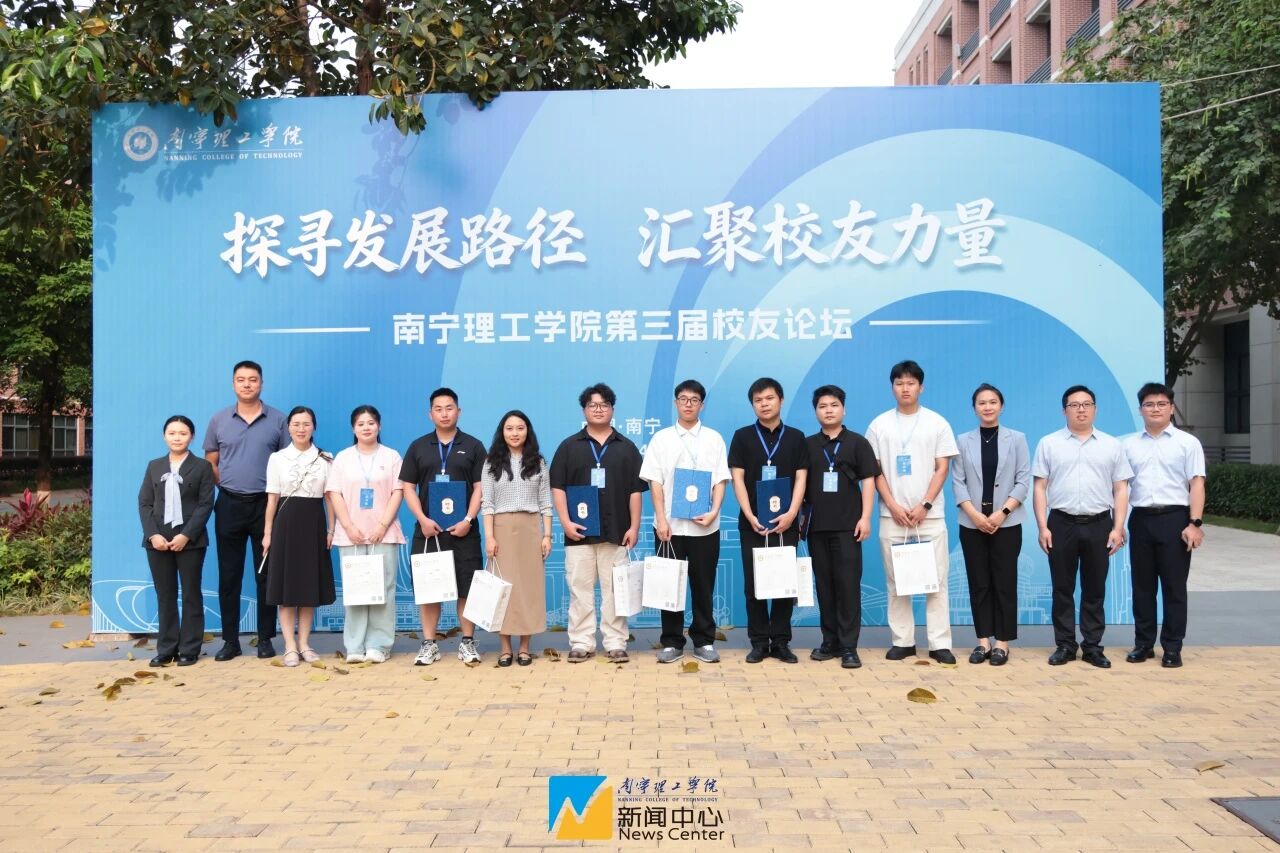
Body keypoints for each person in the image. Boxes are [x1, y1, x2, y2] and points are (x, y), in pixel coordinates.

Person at [1032, 385, 1133, 668]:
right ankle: (1065, 645)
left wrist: (1118, 526)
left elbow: (1121, 488)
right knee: (1062, 588)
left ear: (1095, 409)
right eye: (1074, 405)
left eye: (1086, 404)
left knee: (1094, 589)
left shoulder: (1111, 445)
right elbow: (1039, 487)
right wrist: (1043, 527)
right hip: (1061, 523)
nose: (1081, 410)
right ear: (1064, 410)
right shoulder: (1049, 443)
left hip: (1100, 523)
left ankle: (1092, 647)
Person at [865, 360, 959, 664]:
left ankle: (939, 644)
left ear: (921, 387)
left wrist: (925, 505)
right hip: (891, 516)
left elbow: (942, 468)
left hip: (929, 516)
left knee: (937, 581)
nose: (905, 388)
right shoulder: (879, 425)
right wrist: (893, 505)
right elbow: (874, 470)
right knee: (896, 582)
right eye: (899, 383)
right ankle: (902, 642)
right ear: (892, 387)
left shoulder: (937, 423)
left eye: (911, 383)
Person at [549, 383, 646, 663]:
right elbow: (558, 487)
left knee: (615, 590)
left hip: (617, 531)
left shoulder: (627, 448)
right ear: (584, 410)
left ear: (613, 409)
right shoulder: (569, 447)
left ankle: (615, 642)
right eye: (593, 405)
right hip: (578, 533)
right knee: (580, 590)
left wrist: (634, 527)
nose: (599, 409)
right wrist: (565, 523)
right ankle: (582, 642)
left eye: (604, 405)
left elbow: (635, 491)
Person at [203, 360, 289, 661]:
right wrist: (227, 486)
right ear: (233, 384)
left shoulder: (278, 420)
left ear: (261, 383)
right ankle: (230, 641)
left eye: (253, 379)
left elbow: (287, 462)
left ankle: (265, 638)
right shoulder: (219, 420)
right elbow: (211, 461)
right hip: (229, 503)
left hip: (266, 505)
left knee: (266, 574)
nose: (247, 384)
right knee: (229, 575)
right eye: (241, 380)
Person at [640, 380, 731, 665]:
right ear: (675, 403)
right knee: (669, 585)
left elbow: (721, 479)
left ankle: (704, 640)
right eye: (683, 399)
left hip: (705, 527)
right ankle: (671, 642)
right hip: (669, 528)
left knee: (703, 585)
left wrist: (714, 511)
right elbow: (655, 482)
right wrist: (661, 519)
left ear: (701, 404)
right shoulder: (662, 439)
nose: (688, 404)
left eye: (694, 399)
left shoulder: (714, 439)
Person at [1121, 382, 1206, 669]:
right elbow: (1120, 488)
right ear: (1140, 410)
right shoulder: (1128, 445)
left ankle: (1172, 647)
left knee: (1174, 587)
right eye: (1149, 404)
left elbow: (1197, 483)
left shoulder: (1187, 443)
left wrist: (1195, 523)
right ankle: (1143, 644)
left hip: (1176, 520)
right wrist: (1117, 524)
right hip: (1141, 519)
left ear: (1171, 408)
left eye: (1161, 404)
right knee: (1142, 587)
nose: (1155, 409)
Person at [400, 388, 486, 666]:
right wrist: (423, 519)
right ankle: (429, 644)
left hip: (464, 530)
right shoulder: (418, 446)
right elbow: (408, 487)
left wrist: (468, 519)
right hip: (429, 531)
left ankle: (467, 642)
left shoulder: (473, 446)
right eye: (438, 409)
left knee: (466, 588)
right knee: (429, 588)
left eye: (449, 408)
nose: (444, 413)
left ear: (458, 411)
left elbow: (480, 487)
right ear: (430, 414)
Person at [728, 377, 807, 664]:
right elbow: (737, 478)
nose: (764, 404)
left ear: (781, 400)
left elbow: (801, 477)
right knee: (755, 584)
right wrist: (749, 514)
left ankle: (781, 642)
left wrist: (792, 514)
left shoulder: (796, 437)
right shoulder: (742, 436)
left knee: (784, 582)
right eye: (758, 400)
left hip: (787, 522)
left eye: (769, 398)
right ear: (753, 404)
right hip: (753, 523)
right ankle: (759, 642)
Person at [951, 383, 1031, 666]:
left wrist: (1002, 513)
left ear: (1001, 406)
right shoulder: (963, 441)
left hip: (1006, 524)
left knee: (1005, 583)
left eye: (993, 402)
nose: (987, 407)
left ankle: (1002, 643)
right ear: (974, 408)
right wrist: (974, 515)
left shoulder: (1017, 439)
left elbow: (1023, 480)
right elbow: (958, 482)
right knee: (979, 583)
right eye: (982, 402)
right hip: (971, 523)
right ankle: (982, 641)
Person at [802, 385, 879, 669]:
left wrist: (865, 517)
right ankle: (829, 642)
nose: (828, 410)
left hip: (849, 527)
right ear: (816, 412)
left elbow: (869, 480)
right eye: (822, 406)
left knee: (848, 587)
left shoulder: (858, 443)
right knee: (824, 586)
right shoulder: (808, 445)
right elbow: (799, 483)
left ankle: (849, 647)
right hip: (816, 528)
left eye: (834, 405)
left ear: (843, 409)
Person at [325, 405, 406, 664]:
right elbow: (334, 492)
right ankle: (355, 646)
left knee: (384, 589)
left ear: (379, 426)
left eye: (371, 423)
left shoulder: (391, 456)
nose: (366, 427)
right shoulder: (343, 458)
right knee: (356, 589)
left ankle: (379, 645)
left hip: (384, 533)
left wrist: (382, 525)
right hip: (351, 535)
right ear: (353, 428)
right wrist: (348, 526)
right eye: (361, 424)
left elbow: (398, 491)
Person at [138, 415, 215, 667]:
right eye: (172, 433)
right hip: (158, 541)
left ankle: (190, 648)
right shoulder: (154, 466)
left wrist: (186, 535)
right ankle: (166, 648)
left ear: (191, 436)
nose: (177, 438)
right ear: (164, 436)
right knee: (165, 595)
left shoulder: (202, 467)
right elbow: (145, 503)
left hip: (190, 540)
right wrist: (153, 535)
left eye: (183, 433)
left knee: (191, 593)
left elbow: (205, 504)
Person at [262, 406, 336, 667]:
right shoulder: (277, 458)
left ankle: (304, 643)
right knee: (286, 588)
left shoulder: (326, 458)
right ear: (288, 427)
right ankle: (289, 646)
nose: (301, 429)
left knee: (308, 587)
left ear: (314, 427)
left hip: (314, 524)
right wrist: (267, 533)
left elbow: (330, 498)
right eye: (296, 424)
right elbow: (272, 499)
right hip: (285, 525)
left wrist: (331, 529)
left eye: (306, 424)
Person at [481, 410, 553, 667]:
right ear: (502, 432)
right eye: (509, 428)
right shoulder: (491, 462)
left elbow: (546, 502)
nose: (514, 433)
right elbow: (487, 504)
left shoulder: (538, 462)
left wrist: (547, 535)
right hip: (501, 529)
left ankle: (524, 647)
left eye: (520, 428)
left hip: (530, 529)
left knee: (528, 588)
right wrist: (489, 537)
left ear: (527, 431)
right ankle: (504, 648)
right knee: (503, 589)